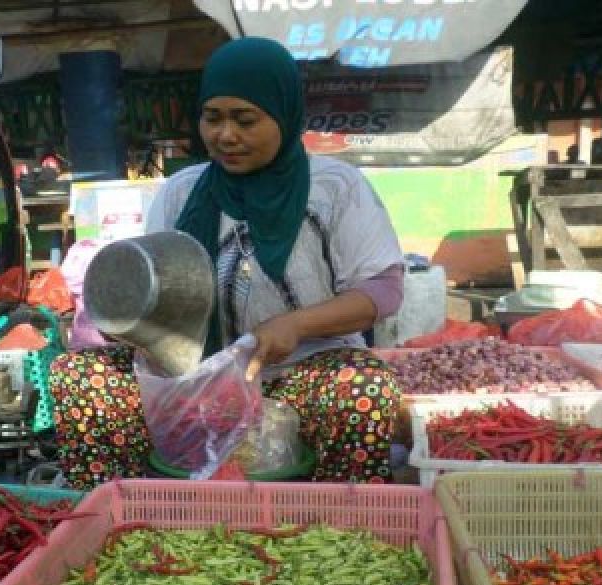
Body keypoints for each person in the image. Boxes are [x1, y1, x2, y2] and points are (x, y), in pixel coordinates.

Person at [48, 36, 405, 488]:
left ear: (284, 115)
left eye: (245, 119)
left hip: (302, 373)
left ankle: (341, 524)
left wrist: (296, 325)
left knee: (362, 387)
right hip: (197, 377)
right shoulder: (181, 191)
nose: (225, 135)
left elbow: (383, 290)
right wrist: (128, 320)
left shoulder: (334, 187)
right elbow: (153, 286)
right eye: (212, 118)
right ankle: (122, 517)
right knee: (81, 376)